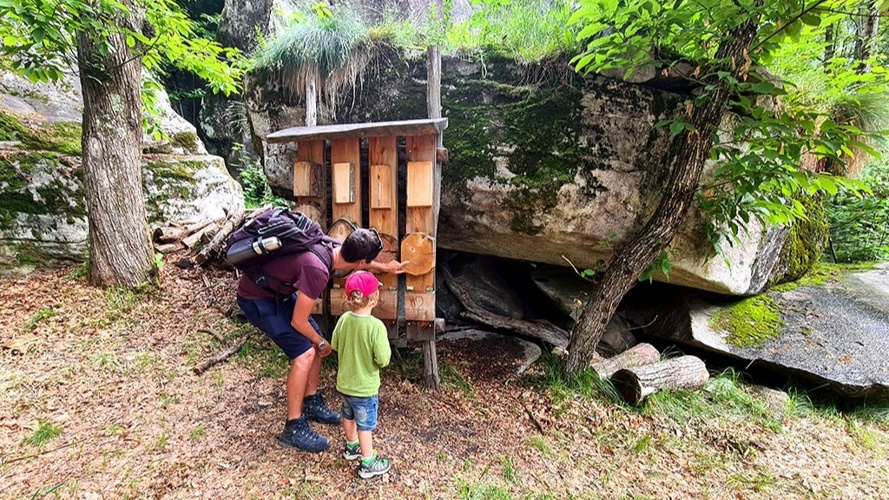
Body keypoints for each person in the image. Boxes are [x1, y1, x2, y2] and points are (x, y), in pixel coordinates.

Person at [235, 227, 404, 452]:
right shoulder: (317, 270)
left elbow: (362, 262)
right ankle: (293, 427)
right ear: (361, 261)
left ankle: (310, 400)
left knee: (314, 342)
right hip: (256, 298)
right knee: (305, 353)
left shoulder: (334, 247)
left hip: (277, 294)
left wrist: (385, 267)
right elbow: (298, 322)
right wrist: (322, 343)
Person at [332, 271, 392, 479]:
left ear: (349, 298)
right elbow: (383, 359)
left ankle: (351, 447)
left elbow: (335, 345)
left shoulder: (344, 320)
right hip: (364, 388)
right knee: (364, 425)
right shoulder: (376, 327)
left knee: (348, 416)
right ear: (375, 297)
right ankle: (367, 462)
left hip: (345, 384)